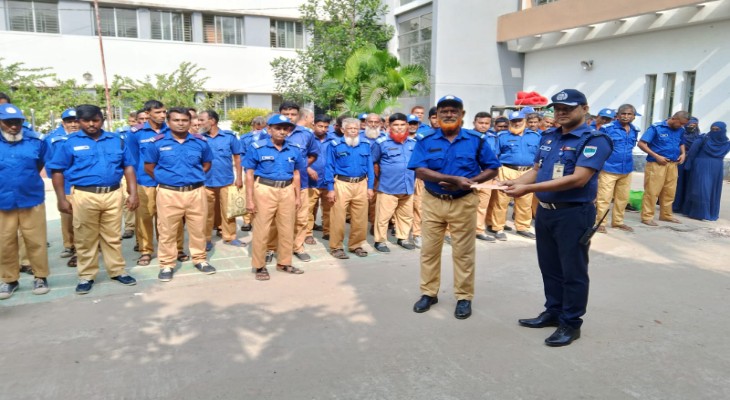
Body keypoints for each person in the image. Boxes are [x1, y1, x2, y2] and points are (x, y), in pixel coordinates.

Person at [501, 89, 612, 346]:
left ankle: (571, 322)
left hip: (574, 214)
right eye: (557, 108)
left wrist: (526, 189)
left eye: (568, 108)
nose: (561, 113)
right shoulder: (549, 135)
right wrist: (514, 182)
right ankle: (553, 311)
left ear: (584, 109)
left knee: (572, 270)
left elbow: (579, 178)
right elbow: (538, 170)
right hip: (546, 212)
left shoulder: (595, 139)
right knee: (549, 267)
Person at [407, 95, 501, 320]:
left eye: (454, 111)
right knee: (429, 251)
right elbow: (419, 169)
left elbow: (493, 168)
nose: (449, 114)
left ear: (462, 115)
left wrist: (473, 181)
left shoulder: (476, 140)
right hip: (432, 201)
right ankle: (428, 293)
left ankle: (464, 297)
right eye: (444, 111)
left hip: (464, 201)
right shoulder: (425, 139)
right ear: (437, 116)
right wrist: (451, 178)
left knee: (464, 253)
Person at [48, 104, 139, 294]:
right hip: (84, 195)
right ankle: (86, 275)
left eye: (95, 120)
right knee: (85, 238)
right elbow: (57, 171)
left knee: (113, 236)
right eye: (86, 120)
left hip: (113, 194)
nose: (91, 124)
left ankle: (117, 270)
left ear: (102, 120)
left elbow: (128, 167)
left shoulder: (117, 140)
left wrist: (133, 193)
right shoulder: (68, 143)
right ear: (79, 121)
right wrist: (61, 199)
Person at [143, 107, 215, 282]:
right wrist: (166, 180)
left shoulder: (200, 142)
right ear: (168, 122)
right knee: (167, 230)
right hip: (169, 193)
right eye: (176, 120)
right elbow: (149, 167)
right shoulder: (156, 142)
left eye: (184, 120)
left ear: (190, 122)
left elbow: (207, 163)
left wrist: (193, 178)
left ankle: (200, 259)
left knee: (198, 228)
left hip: (196, 192)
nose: (181, 124)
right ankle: (167, 264)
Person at [244, 114, 306, 280]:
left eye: (285, 129)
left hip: (287, 190)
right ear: (269, 129)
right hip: (264, 189)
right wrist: (249, 199)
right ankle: (259, 266)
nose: (282, 132)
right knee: (262, 229)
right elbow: (249, 173)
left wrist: (298, 196)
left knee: (287, 229)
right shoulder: (257, 147)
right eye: (278, 128)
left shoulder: (294, 148)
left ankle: (284, 263)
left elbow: (296, 173)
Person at [128, 100, 187, 266]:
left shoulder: (172, 129)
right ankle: (146, 250)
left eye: (164, 112)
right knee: (145, 218)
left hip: (169, 183)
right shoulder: (135, 133)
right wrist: (130, 186)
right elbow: (131, 161)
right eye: (158, 112)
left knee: (172, 219)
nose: (162, 115)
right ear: (147, 114)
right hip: (145, 182)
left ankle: (177, 248)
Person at [0, 103, 50, 299]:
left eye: (17, 122)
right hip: (3, 201)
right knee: (5, 242)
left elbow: (41, 164)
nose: (14, 126)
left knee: (35, 240)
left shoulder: (36, 141)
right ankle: (9, 279)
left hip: (31, 198)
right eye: (8, 122)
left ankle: (40, 277)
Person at [326, 118, 375, 259]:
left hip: (361, 183)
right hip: (342, 183)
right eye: (350, 128)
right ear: (343, 130)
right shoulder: (335, 145)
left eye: (356, 128)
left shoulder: (365, 144)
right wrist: (330, 188)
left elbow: (370, 167)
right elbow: (329, 167)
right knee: (338, 218)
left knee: (360, 218)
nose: (353, 131)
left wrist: (370, 187)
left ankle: (356, 245)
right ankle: (336, 247)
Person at [279, 101, 319, 262]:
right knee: (276, 220)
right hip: (276, 185)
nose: (289, 117)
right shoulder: (269, 132)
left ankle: (298, 247)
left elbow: (313, 154)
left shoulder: (306, 134)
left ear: (298, 116)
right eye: (286, 113)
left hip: (301, 184)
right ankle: (271, 249)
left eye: (293, 114)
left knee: (301, 218)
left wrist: (301, 166)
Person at [199, 109, 245, 249]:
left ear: (212, 121)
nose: (199, 123)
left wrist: (239, 177)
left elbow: (238, 158)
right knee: (206, 213)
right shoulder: (199, 138)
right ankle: (206, 240)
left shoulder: (229, 137)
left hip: (227, 180)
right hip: (205, 182)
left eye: (202, 120)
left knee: (229, 211)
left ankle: (230, 237)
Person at [492, 110, 541, 240]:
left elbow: (540, 156)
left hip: (528, 171)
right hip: (507, 170)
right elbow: (495, 156)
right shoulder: (502, 136)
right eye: (514, 121)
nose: (517, 123)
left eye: (519, 120)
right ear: (510, 122)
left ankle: (523, 227)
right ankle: (498, 228)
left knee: (525, 201)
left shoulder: (535, 136)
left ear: (524, 121)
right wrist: (495, 173)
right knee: (501, 201)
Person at [372, 113, 417, 252]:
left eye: (403, 125)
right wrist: (379, 178)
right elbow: (373, 162)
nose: (399, 128)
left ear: (408, 126)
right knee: (383, 217)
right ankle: (380, 241)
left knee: (406, 215)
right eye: (396, 125)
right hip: (388, 186)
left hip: (408, 185)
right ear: (389, 126)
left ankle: (403, 238)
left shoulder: (413, 144)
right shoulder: (382, 143)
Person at [638, 111, 690, 226]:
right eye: (680, 123)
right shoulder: (656, 128)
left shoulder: (680, 130)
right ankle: (647, 217)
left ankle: (666, 215)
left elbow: (681, 143)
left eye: (684, 124)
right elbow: (641, 144)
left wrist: (683, 154)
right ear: (674, 118)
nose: (682, 126)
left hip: (672, 164)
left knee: (669, 191)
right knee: (652, 191)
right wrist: (656, 156)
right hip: (657, 164)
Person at [595, 104, 640, 233]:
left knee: (623, 198)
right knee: (604, 198)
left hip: (626, 168)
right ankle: (600, 223)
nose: (626, 116)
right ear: (617, 115)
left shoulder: (634, 130)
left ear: (633, 116)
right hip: (609, 168)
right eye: (623, 114)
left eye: (629, 114)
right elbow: (600, 147)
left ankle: (618, 222)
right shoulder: (607, 129)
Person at [44, 108, 79, 260]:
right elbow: (48, 162)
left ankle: (86, 245)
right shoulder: (52, 139)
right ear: (63, 123)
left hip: (83, 184)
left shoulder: (87, 136)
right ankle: (69, 245)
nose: (73, 124)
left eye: (76, 121)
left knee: (85, 217)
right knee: (67, 217)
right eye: (69, 121)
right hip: (65, 183)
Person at [681, 122, 730, 221]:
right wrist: (688, 165)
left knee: (712, 189)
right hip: (701, 166)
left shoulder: (726, 143)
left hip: (716, 169)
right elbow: (692, 152)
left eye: (717, 130)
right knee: (701, 188)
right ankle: (697, 212)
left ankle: (709, 212)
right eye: (713, 129)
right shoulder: (703, 139)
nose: (714, 131)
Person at [239, 115, 269, 232]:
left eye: (262, 128)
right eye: (257, 128)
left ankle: (259, 218)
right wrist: (247, 166)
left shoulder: (268, 137)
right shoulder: (244, 138)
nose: (259, 130)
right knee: (248, 194)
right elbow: (241, 154)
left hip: (263, 172)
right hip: (249, 171)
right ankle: (247, 221)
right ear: (253, 126)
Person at [306, 115, 332, 243]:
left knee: (329, 208)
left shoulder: (333, 140)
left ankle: (327, 231)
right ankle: (308, 233)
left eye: (326, 127)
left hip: (328, 181)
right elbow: (300, 158)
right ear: (313, 125)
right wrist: (308, 168)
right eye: (320, 126)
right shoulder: (307, 139)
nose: (323, 129)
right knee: (309, 208)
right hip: (311, 181)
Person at [471, 111, 498, 242]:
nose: (483, 125)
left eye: (486, 123)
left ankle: (479, 230)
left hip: (487, 176)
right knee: (463, 205)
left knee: (482, 205)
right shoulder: (467, 137)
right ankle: (451, 232)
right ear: (474, 123)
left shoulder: (493, 138)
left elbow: (496, 157)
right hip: (471, 176)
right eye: (480, 123)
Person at [673, 117, 703, 213]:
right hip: (680, 160)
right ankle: (675, 205)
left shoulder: (698, 135)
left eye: (694, 125)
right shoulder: (680, 133)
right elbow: (676, 145)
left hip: (692, 161)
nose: (692, 127)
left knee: (688, 183)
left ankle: (685, 206)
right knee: (678, 183)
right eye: (690, 125)